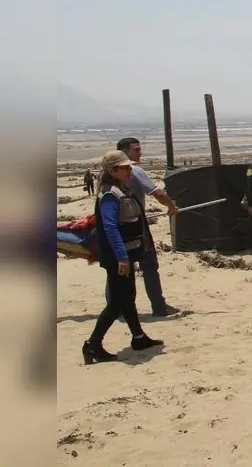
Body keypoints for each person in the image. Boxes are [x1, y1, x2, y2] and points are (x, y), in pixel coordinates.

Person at [82, 150, 164, 364]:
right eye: (125, 168)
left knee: (128, 297)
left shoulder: (121, 189)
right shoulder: (110, 195)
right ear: (112, 171)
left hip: (124, 254)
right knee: (117, 302)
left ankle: (138, 337)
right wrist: (122, 258)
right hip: (116, 257)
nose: (130, 170)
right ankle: (92, 344)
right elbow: (110, 228)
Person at [113, 138, 181, 317]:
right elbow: (157, 193)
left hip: (116, 227)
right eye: (136, 149)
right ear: (124, 152)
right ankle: (159, 307)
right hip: (136, 226)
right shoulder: (135, 170)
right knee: (149, 266)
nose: (140, 153)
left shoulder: (108, 174)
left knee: (119, 269)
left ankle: (116, 308)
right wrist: (171, 206)